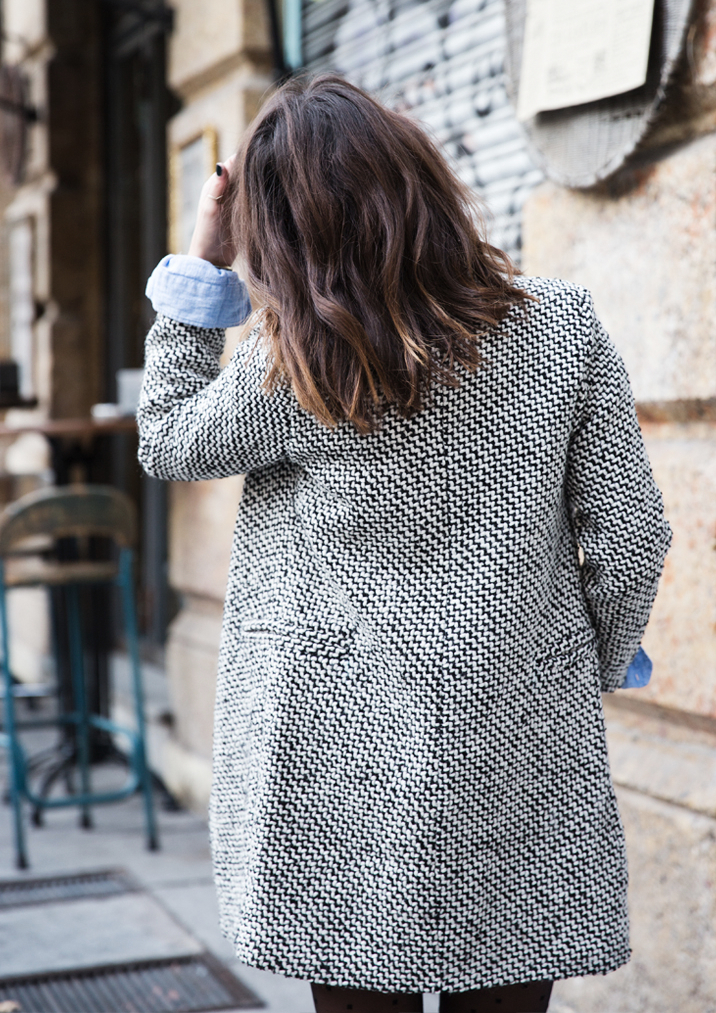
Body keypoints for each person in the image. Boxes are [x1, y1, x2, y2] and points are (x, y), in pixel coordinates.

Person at [138, 73, 671, 1013]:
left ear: (280, 228)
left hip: (331, 747)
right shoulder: (559, 325)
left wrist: (203, 264)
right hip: (518, 730)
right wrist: (571, 660)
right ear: (415, 178)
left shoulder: (295, 356)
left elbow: (165, 437)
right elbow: (631, 533)